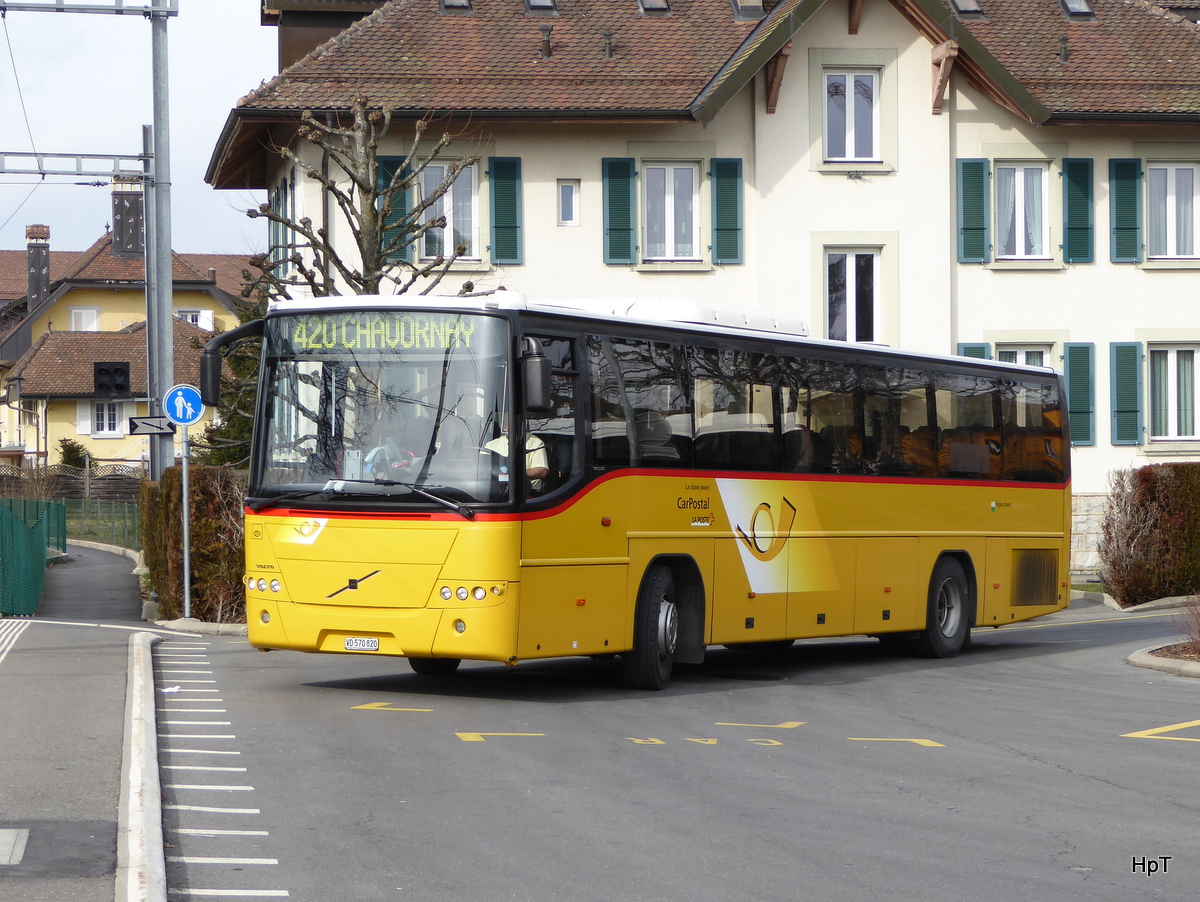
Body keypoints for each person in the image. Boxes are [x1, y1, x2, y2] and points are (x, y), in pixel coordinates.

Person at [484, 414, 549, 493]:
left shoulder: (535, 443)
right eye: (506, 425)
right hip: (495, 492)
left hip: (528, 493)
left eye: (518, 424)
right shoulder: (490, 445)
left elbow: (542, 471)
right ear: (503, 427)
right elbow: (481, 469)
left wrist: (514, 474)